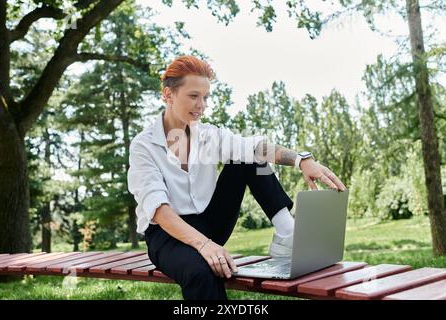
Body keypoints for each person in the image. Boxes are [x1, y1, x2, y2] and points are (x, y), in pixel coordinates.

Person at [127, 55, 346, 300]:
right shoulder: (144, 146)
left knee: (248, 155)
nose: (202, 105)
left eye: (206, 97)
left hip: (210, 222)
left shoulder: (209, 135)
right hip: (167, 235)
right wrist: (203, 245)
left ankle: (287, 234)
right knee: (201, 272)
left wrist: (302, 160)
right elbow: (159, 211)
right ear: (168, 95)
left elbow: (256, 148)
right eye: (193, 96)